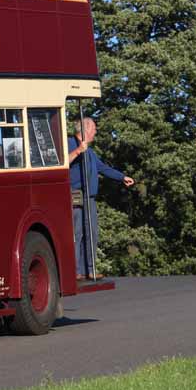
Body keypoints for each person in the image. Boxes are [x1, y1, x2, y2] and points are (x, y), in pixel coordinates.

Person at [68, 117, 135, 280]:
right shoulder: (70, 144)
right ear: (85, 130)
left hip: (89, 198)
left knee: (91, 233)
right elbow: (62, 162)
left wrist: (122, 177)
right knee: (77, 233)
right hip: (76, 196)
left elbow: (102, 167)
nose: (96, 132)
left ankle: (89, 270)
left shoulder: (90, 152)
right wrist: (78, 151)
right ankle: (75, 271)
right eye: (94, 129)